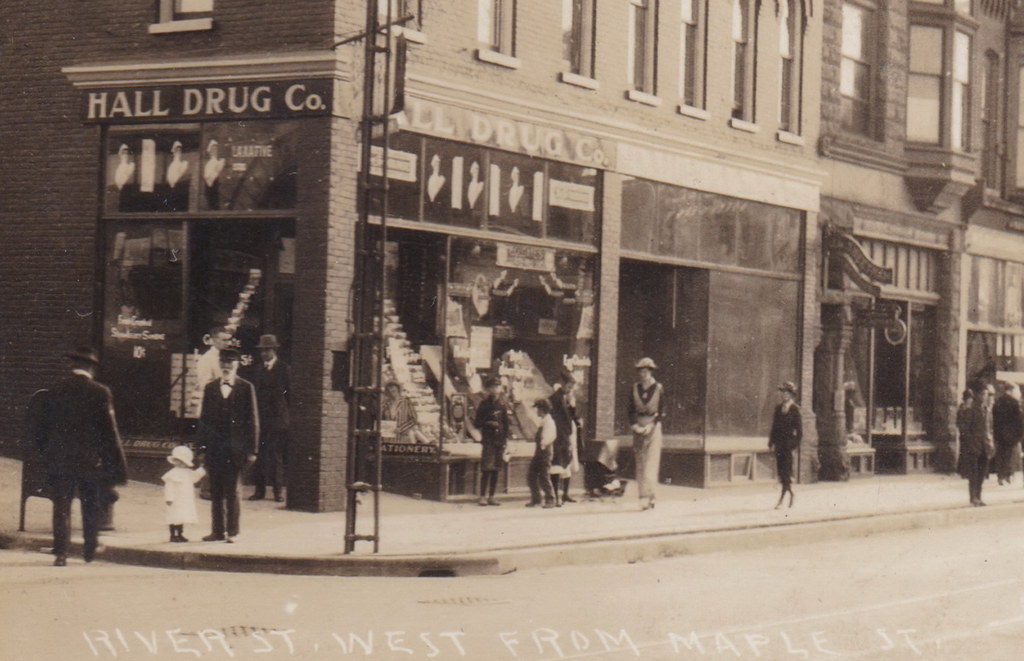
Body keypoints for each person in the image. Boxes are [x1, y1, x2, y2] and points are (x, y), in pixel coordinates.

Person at [36, 347, 127, 566]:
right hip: (89, 460)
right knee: (90, 503)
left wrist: (46, 453)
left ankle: (61, 553)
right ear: (91, 368)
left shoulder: (56, 390)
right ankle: (89, 550)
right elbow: (109, 430)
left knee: (61, 506)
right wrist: (113, 460)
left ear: (72, 366)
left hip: (61, 458)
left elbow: (42, 428)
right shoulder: (101, 392)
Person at [197, 348, 259, 542]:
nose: (226, 367)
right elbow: (204, 420)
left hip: (236, 450)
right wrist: (201, 449)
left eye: (230, 363)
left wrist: (252, 450)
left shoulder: (246, 387)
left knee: (233, 491)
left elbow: (253, 421)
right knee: (215, 491)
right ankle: (217, 531)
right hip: (215, 449)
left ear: (237, 365)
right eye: (223, 363)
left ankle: (233, 532)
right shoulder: (211, 388)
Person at [249, 334, 290, 502]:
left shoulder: (284, 369)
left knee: (275, 456)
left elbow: (290, 395)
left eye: (267, 350)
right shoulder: (258, 370)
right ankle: (259, 491)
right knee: (259, 456)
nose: (264, 354)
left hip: (277, 420)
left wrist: (285, 415)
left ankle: (278, 491)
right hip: (261, 420)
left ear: (274, 350)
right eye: (262, 351)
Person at [628, 357, 664, 511]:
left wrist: (652, 425)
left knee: (651, 463)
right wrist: (634, 425)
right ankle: (642, 497)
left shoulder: (658, 388)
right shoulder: (635, 388)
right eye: (640, 372)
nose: (643, 374)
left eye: (645, 372)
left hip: (653, 427)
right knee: (640, 463)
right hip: (638, 426)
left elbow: (661, 412)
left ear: (650, 372)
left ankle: (651, 495)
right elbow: (629, 410)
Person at [473, 375, 510, 506]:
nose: (495, 390)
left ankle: (492, 496)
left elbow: (506, 424)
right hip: (488, 440)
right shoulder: (484, 404)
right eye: (493, 387)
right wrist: (488, 423)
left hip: (499, 441)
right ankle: (482, 496)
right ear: (488, 389)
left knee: (496, 470)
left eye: (497, 387)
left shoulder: (502, 404)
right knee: (486, 469)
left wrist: (505, 440)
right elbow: (477, 423)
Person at [960, 381, 995, 507]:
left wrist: (990, 443)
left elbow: (990, 428)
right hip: (974, 446)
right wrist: (970, 442)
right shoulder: (971, 410)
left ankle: (979, 497)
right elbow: (965, 428)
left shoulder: (987, 410)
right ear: (977, 395)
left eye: (986, 394)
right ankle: (973, 497)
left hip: (985, 446)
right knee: (973, 473)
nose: (985, 397)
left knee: (982, 473)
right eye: (983, 394)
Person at [549, 370, 582, 506]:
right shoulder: (555, 398)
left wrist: (575, 413)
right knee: (558, 463)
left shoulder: (568, 398)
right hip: (559, 435)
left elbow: (571, 415)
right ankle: (556, 495)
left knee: (567, 462)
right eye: (568, 386)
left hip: (568, 434)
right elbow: (557, 417)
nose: (570, 390)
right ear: (562, 384)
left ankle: (566, 493)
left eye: (571, 387)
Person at [768, 381, 803, 509]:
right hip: (779, 445)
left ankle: (783, 498)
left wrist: (793, 445)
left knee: (786, 472)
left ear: (792, 395)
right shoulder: (778, 408)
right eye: (782, 393)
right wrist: (771, 442)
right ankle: (790, 493)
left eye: (786, 393)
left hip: (787, 446)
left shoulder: (795, 410)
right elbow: (774, 427)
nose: (784, 396)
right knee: (781, 471)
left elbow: (799, 432)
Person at [161, 445, 206, 543]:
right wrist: (169, 498)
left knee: (181, 517)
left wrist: (203, 469)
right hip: (175, 500)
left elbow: (196, 476)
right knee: (173, 517)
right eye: (177, 461)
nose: (180, 463)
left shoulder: (188, 473)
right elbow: (169, 487)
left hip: (184, 499)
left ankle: (180, 534)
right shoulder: (172, 474)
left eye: (182, 462)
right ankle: (173, 535)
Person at [527, 398, 557, 508]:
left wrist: (543, 444)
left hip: (544, 453)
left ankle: (550, 499)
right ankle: (536, 499)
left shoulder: (549, 422)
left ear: (542, 409)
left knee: (544, 476)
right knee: (531, 476)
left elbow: (550, 437)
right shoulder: (543, 421)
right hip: (539, 452)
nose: (537, 411)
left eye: (538, 409)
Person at [991, 382, 1023, 485]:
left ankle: (1000, 476)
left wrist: (995, 432)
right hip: (1011, 434)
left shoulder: (998, 401)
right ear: (1011, 390)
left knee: (1000, 454)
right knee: (1009, 455)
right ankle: (1008, 475)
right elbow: (1018, 420)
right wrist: (1019, 434)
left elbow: (994, 418)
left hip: (1000, 433)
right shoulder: (1014, 402)